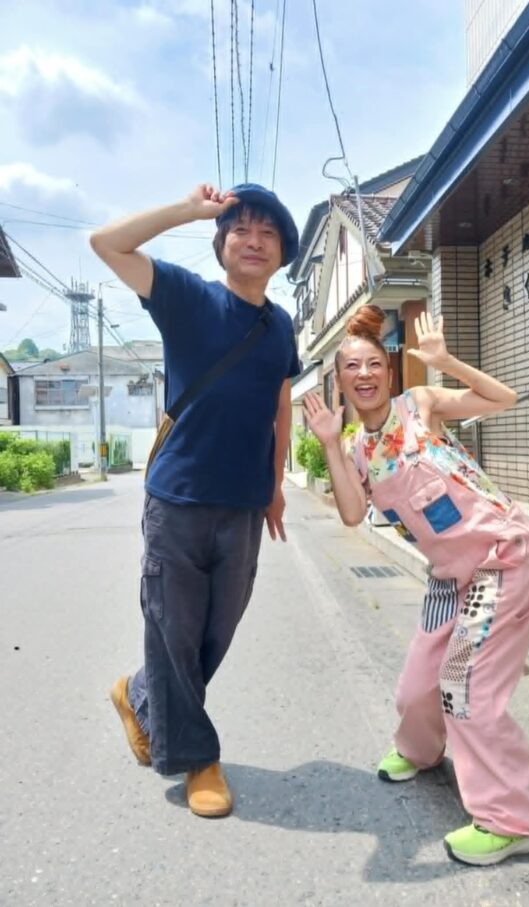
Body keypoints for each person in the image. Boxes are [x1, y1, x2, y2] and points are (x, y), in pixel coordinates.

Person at [303, 304, 529, 866]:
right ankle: (420, 750)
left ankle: (514, 821)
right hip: (448, 577)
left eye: (373, 363)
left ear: (388, 371)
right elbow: (351, 513)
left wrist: (447, 362)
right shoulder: (356, 449)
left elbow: (503, 398)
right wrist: (329, 443)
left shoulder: (420, 404)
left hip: (500, 558)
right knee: (417, 687)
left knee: (463, 686)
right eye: (351, 367)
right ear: (339, 380)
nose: (363, 374)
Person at [90, 182, 300, 817]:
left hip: (244, 503)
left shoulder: (279, 325)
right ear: (221, 243)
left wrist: (275, 486)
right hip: (177, 498)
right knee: (173, 629)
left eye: (268, 232)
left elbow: (280, 405)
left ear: (283, 252)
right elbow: (106, 243)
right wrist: (188, 210)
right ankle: (196, 759)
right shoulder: (186, 297)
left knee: (217, 629)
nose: (254, 241)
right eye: (241, 229)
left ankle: (138, 695)